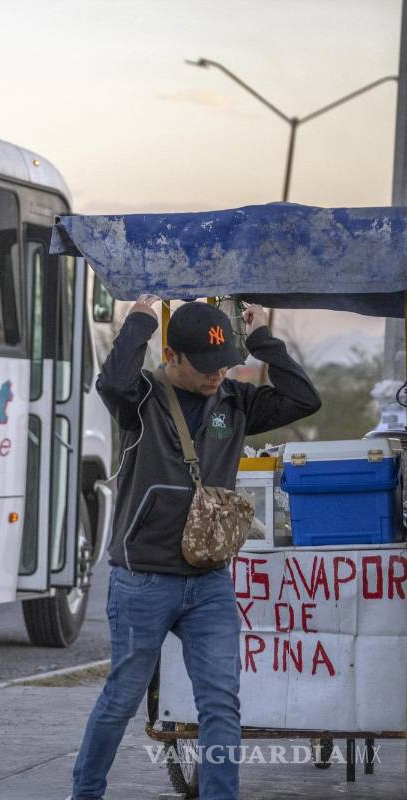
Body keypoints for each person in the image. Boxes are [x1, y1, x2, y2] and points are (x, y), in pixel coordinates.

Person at [70, 298, 321, 800]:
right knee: (121, 698)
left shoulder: (236, 401)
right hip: (142, 578)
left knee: (221, 704)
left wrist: (262, 340)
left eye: (225, 362)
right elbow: (111, 381)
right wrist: (139, 319)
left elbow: (303, 399)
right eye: (206, 366)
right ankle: (86, 792)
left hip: (209, 582)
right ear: (172, 355)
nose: (217, 374)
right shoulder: (139, 398)